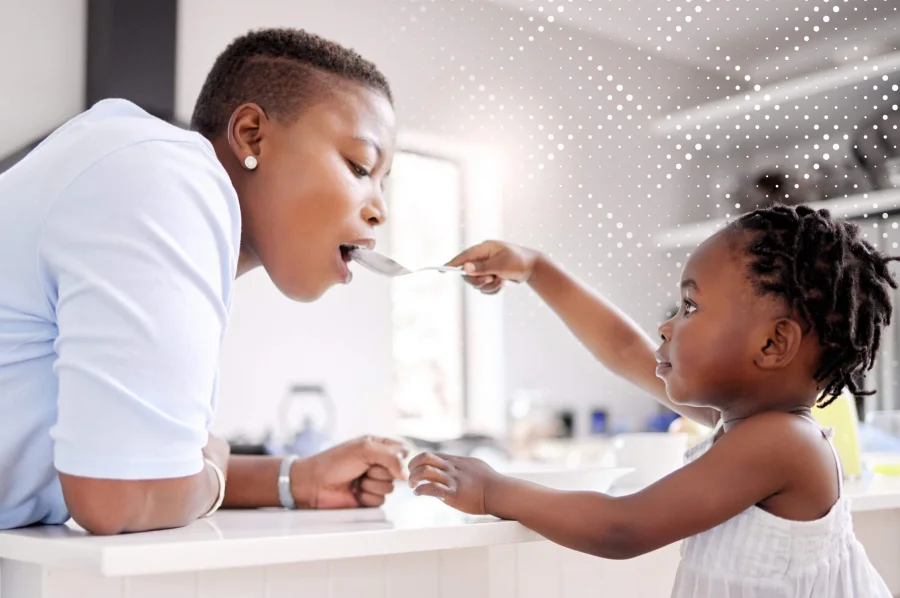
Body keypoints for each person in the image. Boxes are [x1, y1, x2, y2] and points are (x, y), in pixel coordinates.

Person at [0, 28, 407, 534]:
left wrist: (297, 479)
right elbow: (118, 499)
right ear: (251, 134)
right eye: (360, 166)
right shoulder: (165, 178)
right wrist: (211, 474)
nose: (379, 210)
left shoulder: (152, 175)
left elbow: (139, 466)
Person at [409, 204, 894, 597]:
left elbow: (623, 528)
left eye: (690, 306)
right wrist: (536, 269)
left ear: (772, 344)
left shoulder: (782, 443)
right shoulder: (748, 427)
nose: (666, 325)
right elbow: (625, 349)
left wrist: (496, 490)